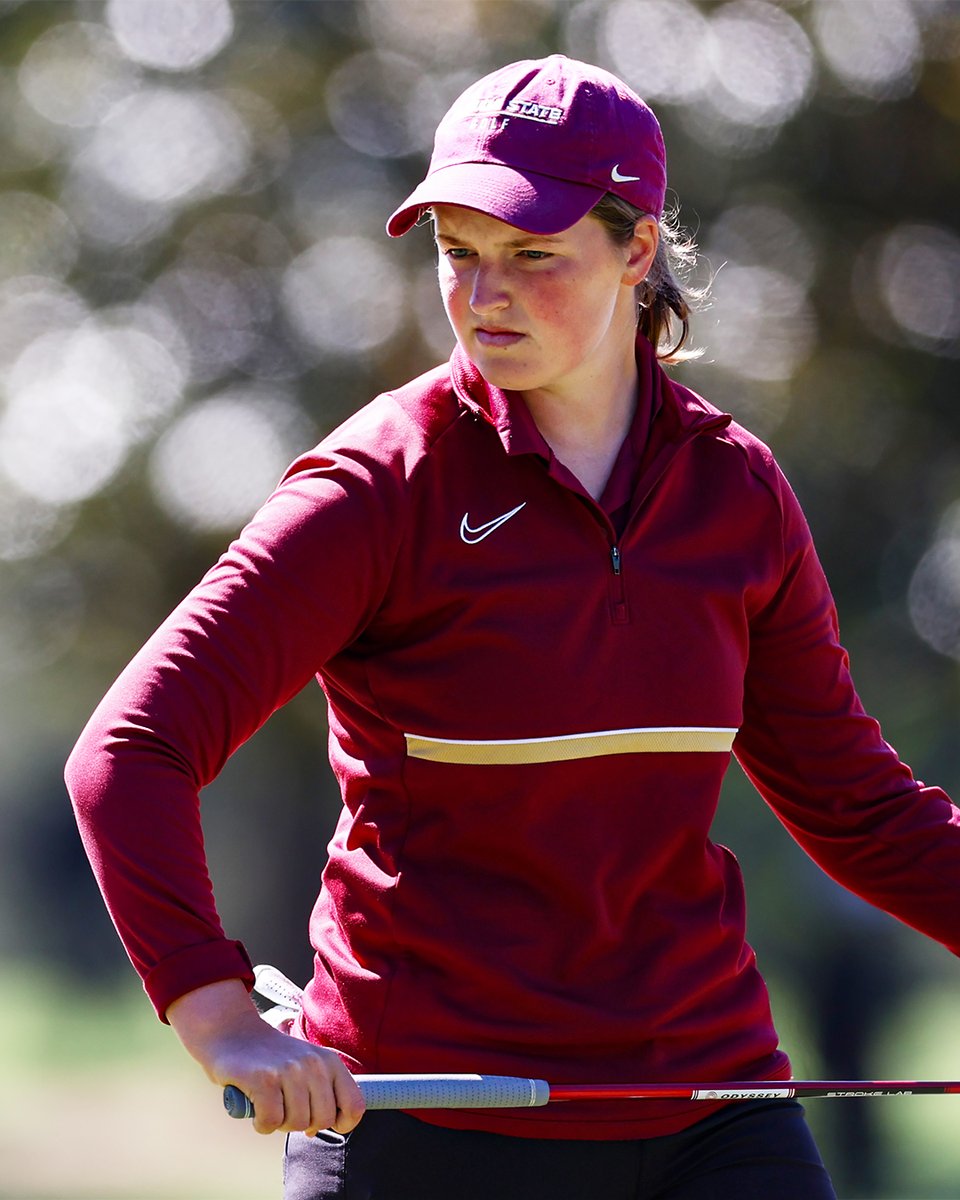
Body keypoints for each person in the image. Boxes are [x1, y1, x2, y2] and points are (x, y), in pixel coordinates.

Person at [65, 55, 960, 1200]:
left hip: (705, 1103)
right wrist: (220, 1016)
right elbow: (131, 751)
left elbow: (858, 805)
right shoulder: (378, 490)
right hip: (420, 1115)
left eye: (535, 256)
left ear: (638, 253)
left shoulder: (736, 492)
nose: (485, 295)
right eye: (458, 254)